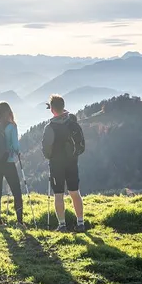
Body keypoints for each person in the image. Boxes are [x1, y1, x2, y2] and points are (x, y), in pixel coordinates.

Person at [42, 94, 86, 232]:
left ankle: (62, 225)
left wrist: (51, 156)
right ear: (63, 106)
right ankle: (80, 223)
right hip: (72, 162)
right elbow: (80, 145)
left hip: (56, 164)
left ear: (52, 109)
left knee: (59, 194)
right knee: (74, 192)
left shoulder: (50, 127)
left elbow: (46, 151)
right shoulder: (72, 123)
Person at [0, 101, 25, 228]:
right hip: (8, 163)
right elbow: (15, 146)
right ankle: (19, 222)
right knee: (16, 192)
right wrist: (17, 153)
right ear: (9, 112)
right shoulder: (11, 126)